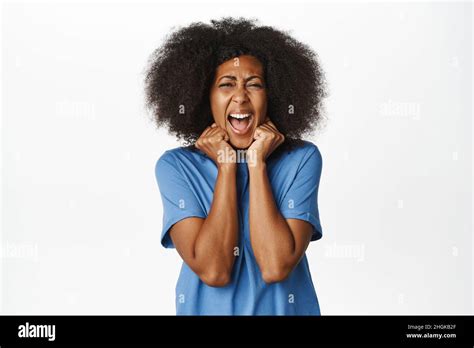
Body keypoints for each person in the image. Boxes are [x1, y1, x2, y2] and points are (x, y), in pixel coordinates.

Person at [145, 17, 327, 315]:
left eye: (254, 85)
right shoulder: (176, 167)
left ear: (273, 96)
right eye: (227, 84)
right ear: (205, 96)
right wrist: (227, 167)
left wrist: (257, 165)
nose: (241, 96)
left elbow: (275, 266)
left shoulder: (302, 159)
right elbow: (214, 270)